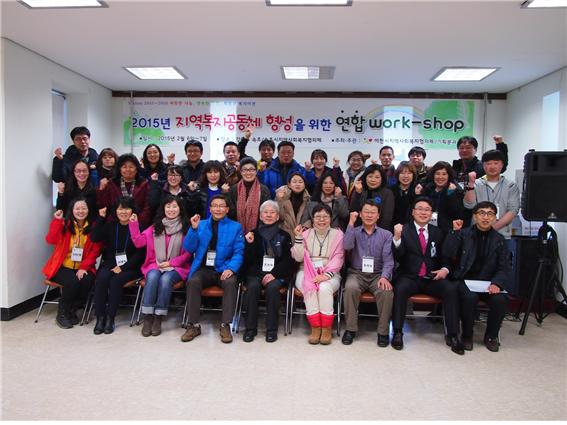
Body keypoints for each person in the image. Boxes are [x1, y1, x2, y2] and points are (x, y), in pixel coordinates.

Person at [390, 197, 464, 355]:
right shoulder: (404, 230)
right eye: (420, 209)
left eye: (427, 210)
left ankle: (452, 334)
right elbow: (398, 256)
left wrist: (445, 269)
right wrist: (397, 238)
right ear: (413, 212)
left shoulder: (438, 232)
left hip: (432, 278)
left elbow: (445, 256)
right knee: (400, 288)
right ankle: (397, 332)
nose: (423, 212)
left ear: (431, 214)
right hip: (409, 276)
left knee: (450, 289)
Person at [445, 202, 511, 352]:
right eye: (481, 213)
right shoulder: (463, 234)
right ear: (475, 216)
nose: (485, 217)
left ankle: (491, 336)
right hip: (464, 280)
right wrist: (454, 232)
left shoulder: (500, 240)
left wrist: (497, 283)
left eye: (490, 214)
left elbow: (504, 267)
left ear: (495, 218)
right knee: (470, 298)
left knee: (500, 300)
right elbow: (448, 253)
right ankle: (467, 335)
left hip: (489, 282)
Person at [181, 194, 244, 344]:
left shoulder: (236, 227)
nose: (218, 209)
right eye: (215, 205)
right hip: (204, 269)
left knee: (230, 283)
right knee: (193, 281)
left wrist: (231, 268)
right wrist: (193, 229)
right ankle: (193, 325)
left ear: (227, 209)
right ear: (210, 209)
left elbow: (239, 252)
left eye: (221, 206)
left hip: (224, 268)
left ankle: (225, 325)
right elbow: (188, 247)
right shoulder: (201, 224)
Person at [129, 195, 192, 337]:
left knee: (165, 279)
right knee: (152, 276)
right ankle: (148, 316)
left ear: (180, 209)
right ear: (163, 209)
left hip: (178, 267)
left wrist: (171, 263)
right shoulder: (155, 227)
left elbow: (188, 254)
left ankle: (158, 316)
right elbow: (138, 242)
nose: (171, 209)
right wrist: (133, 224)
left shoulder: (187, 227)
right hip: (155, 264)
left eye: (174, 206)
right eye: (168, 206)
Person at [42, 197, 103, 329]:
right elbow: (50, 240)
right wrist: (57, 221)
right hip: (62, 266)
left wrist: (83, 267)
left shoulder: (94, 227)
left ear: (88, 210)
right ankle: (62, 313)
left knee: (87, 280)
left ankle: (73, 309)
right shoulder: (64, 225)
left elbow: (95, 251)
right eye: (77, 208)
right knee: (73, 282)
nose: (80, 211)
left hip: (83, 266)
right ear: (72, 210)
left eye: (84, 208)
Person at [342, 200, 394, 347]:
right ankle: (350, 329)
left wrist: (385, 277)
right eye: (366, 212)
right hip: (357, 273)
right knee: (350, 288)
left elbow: (388, 259)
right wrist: (351, 223)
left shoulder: (386, 235)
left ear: (378, 216)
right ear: (360, 214)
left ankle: (383, 332)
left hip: (378, 274)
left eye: (373, 212)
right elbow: (347, 245)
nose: (369, 215)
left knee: (386, 291)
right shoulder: (354, 231)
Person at [90, 197, 145, 335]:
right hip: (111, 262)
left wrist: (123, 267)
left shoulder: (138, 226)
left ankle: (110, 318)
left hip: (131, 266)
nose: (123, 212)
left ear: (132, 211)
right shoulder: (110, 226)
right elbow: (94, 237)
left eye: (126, 208)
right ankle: (100, 317)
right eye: (120, 209)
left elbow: (140, 254)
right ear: (115, 211)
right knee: (101, 278)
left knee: (116, 281)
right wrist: (101, 218)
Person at [291, 204, 344, 345]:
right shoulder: (305, 234)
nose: (321, 220)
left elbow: (339, 257)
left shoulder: (338, 235)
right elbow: (298, 258)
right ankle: (315, 327)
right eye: (318, 216)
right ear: (312, 219)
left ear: (331, 218)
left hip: (330, 273)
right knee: (310, 287)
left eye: (325, 216)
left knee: (324, 288)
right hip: (306, 271)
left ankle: (326, 328)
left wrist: (326, 276)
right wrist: (298, 238)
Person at [241, 200, 293, 343]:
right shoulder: (252, 234)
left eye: (272, 212)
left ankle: (271, 329)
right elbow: (248, 261)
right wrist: (249, 245)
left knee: (273, 288)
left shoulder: (285, 235)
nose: (269, 215)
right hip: (256, 273)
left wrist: (273, 274)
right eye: (265, 212)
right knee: (252, 287)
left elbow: (287, 261)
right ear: (260, 216)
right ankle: (250, 329)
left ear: (277, 216)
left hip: (276, 273)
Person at [463, 149, 520, 241]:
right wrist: (471, 184)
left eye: (496, 163)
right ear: (483, 165)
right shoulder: (476, 184)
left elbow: (513, 210)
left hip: (503, 235)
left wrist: (491, 229)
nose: (492, 166)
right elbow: (469, 205)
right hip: (477, 234)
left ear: (502, 165)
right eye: (488, 163)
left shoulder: (511, 186)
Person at [97, 153, 152, 229]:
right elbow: (104, 204)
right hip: (115, 224)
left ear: (136, 169)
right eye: (124, 167)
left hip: (138, 224)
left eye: (131, 167)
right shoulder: (112, 183)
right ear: (119, 169)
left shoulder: (144, 184)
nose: (128, 170)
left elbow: (147, 207)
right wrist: (101, 190)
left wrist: (137, 221)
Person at [416, 161, 464, 234]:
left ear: (449, 176)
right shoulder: (427, 189)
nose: (440, 177)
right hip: (427, 229)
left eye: (444, 174)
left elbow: (457, 213)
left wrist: (450, 194)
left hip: (446, 230)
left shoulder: (455, 190)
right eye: (437, 174)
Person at [227, 157, 271, 234]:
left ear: (256, 171)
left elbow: (266, 212)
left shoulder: (264, 190)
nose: (248, 173)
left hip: (258, 232)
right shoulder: (234, 189)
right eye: (245, 170)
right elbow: (230, 212)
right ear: (240, 172)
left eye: (251, 170)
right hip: (237, 232)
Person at [349, 164, 395, 233]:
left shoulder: (387, 193)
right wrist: (358, 194)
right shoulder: (359, 189)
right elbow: (353, 211)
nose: (373, 180)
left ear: (382, 179)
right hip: (359, 231)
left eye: (377, 177)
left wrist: (377, 234)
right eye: (370, 176)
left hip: (379, 233)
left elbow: (386, 218)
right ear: (365, 177)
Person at [275, 172, 311, 240]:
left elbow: (310, 218)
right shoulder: (281, 197)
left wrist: (304, 227)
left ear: (304, 185)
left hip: (302, 235)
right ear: (289, 185)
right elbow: (279, 217)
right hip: (285, 236)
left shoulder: (308, 199)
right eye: (294, 182)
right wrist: (280, 200)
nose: (297, 184)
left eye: (300, 182)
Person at [391, 161, 418, 226]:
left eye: (409, 173)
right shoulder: (391, 190)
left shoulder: (418, 190)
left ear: (413, 175)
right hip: (393, 226)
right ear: (397, 174)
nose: (405, 176)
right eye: (402, 173)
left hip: (412, 227)